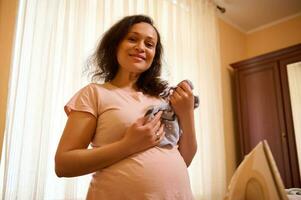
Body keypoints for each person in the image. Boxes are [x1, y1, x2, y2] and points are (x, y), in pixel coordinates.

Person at [55, 14, 197, 200]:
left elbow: (184, 159)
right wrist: (128, 145)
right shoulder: (94, 93)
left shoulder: (162, 99)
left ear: (154, 55)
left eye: (149, 44)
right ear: (115, 45)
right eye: (132, 39)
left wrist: (187, 113)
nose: (140, 47)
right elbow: (63, 165)